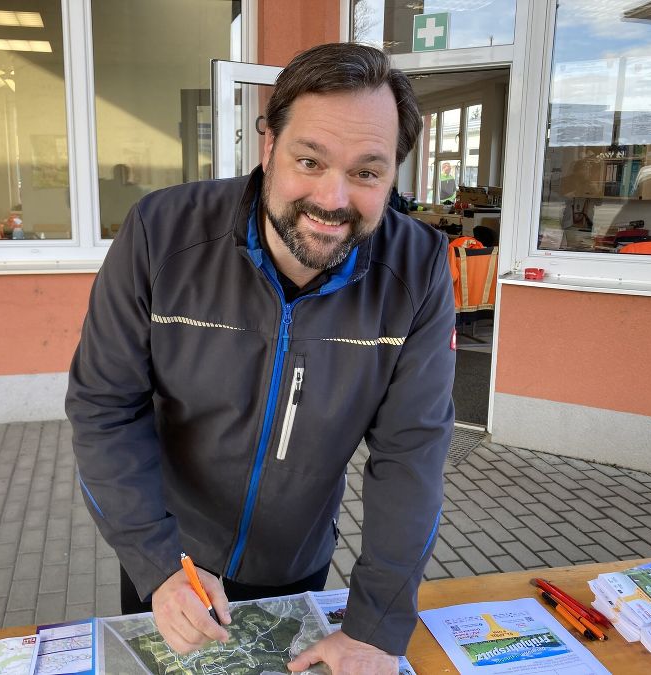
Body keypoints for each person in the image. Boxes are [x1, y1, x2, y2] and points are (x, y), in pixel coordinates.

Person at [66, 42, 455, 674]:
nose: (333, 199)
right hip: (171, 554)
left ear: (393, 175)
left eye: (367, 172)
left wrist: (375, 627)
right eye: (310, 159)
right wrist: (158, 565)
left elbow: (411, 453)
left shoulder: (417, 270)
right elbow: (104, 405)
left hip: (297, 561)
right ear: (268, 144)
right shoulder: (161, 233)